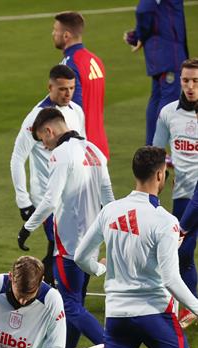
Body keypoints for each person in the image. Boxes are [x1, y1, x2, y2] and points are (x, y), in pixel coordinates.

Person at [74, 146, 197, 348]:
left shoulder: (111, 210)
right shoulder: (164, 221)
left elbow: (81, 255)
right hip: (155, 315)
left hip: (117, 316)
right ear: (160, 176)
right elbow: (171, 278)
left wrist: (102, 271)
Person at [18, 107, 113, 348]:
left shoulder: (60, 154)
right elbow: (108, 195)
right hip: (92, 241)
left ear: (49, 131)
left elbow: (50, 200)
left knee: (70, 306)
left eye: (42, 140)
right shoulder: (94, 150)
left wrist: (27, 228)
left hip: (68, 244)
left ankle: (111, 346)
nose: (44, 146)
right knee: (76, 304)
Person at [10, 65, 85, 285]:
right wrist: (23, 200)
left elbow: (83, 149)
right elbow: (17, 158)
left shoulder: (76, 111)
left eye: (71, 88)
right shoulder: (36, 118)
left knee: (65, 250)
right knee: (59, 251)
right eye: (62, 89)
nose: (67, 93)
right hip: (47, 198)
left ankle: (33, 286)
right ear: (50, 87)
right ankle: (38, 290)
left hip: (73, 197)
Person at [152, 58, 198, 324]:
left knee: (182, 250)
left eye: (195, 81)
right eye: (185, 80)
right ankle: (191, 306)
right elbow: (157, 152)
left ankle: (190, 306)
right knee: (183, 254)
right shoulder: (168, 112)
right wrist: (166, 167)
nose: (190, 86)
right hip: (183, 195)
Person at [124, 0, 189, 144]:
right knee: (168, 101)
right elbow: (143, 9)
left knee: (158, 97)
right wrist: (140, 35)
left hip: (164, 53)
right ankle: (157, 149)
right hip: (168, 55)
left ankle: (152, 149)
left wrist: (138, 36)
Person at [54, 11, 109, 159]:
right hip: (99, 145)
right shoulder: (95, 60)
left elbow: (72, 109)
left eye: (55, 30)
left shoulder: (69, 64)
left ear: (66, 36)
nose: (53, 34)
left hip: (81, 148)